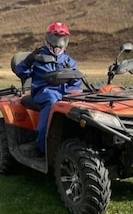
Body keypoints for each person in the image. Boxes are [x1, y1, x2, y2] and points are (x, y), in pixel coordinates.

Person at [14, 22, 82, 154]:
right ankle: (44, 146)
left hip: (64, 94)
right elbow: (20, 72)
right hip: (43, 93)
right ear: (47, 39)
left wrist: (74, 91)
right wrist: (29, 60)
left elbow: (76, 81)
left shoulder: (68, 61)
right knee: (53, 100)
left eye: (62, 39)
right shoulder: (38, 57)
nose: (58, 43)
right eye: (54, 39)